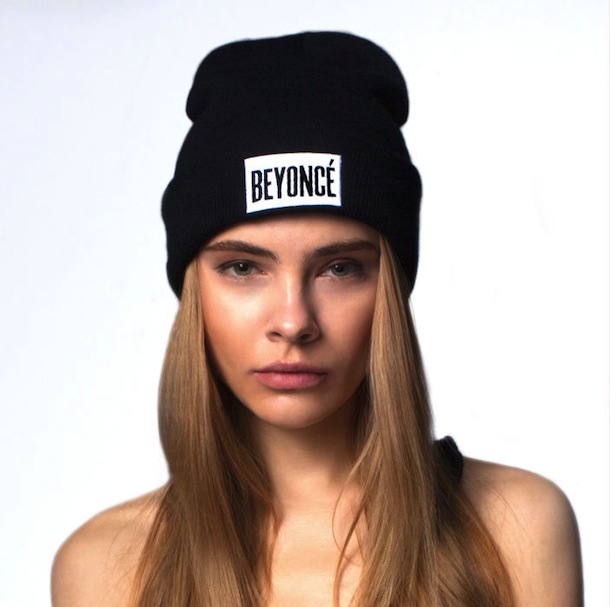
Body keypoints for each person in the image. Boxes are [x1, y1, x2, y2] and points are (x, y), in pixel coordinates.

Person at [51, 32, 583, 606]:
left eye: (339, 268)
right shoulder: (105, 570)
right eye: (242, 267)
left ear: (389, 289)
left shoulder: (516, 529)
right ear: (194, 289)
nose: (293, 321)